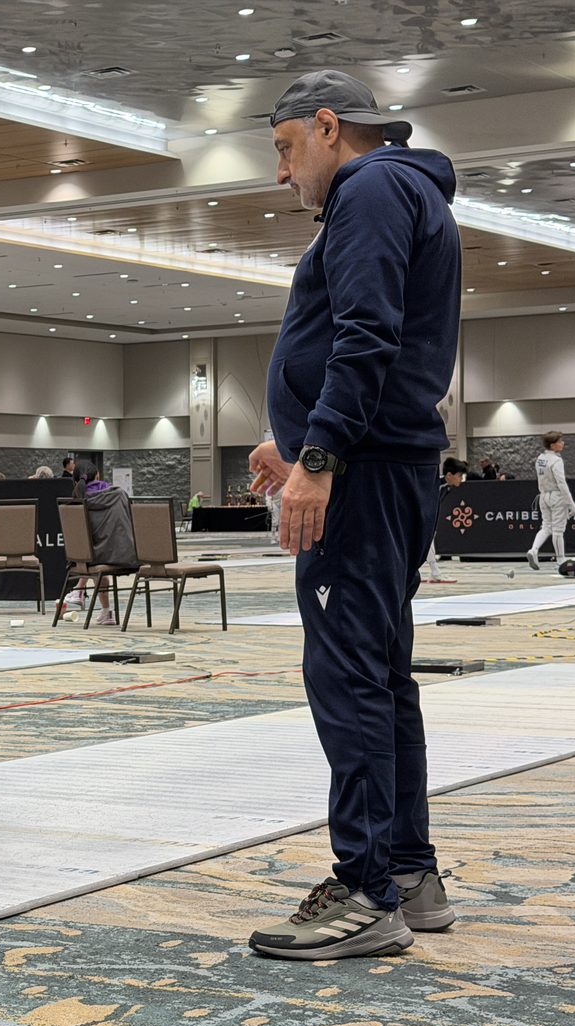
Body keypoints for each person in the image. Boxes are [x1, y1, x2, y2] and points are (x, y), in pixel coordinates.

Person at [246, 70, 460, 961]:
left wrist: (321, 459)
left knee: (348, 680)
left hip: (363, 474)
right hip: (385, 464)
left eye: (286, 149)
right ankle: (408, 874)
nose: (283, 173)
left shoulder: (369, 190)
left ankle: (367, 890)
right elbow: (375, 340)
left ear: (328, 126)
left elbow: (365, 334)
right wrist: (296, 443)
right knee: (380, 674)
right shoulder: (407, 190)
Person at [527, 431, 575, 570]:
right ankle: (561, 561)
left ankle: (533, 550)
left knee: (546, 527)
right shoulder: (556, 461)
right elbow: (561, 483)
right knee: (558, 530)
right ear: (552, 445)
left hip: (543, 496)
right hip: (556, 496)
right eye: (559, 441)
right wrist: (571, 504)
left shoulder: (540, 458)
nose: (563, 443)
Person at [425, 457, 470, 581]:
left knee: (427, 542)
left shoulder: (447, 487)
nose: (461, 479)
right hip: (419, 517)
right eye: (459, 475)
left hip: (427, 518)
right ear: (449, 475)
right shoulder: (436, 485)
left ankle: (433, 573)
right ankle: (435, 573)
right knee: (427, 542)